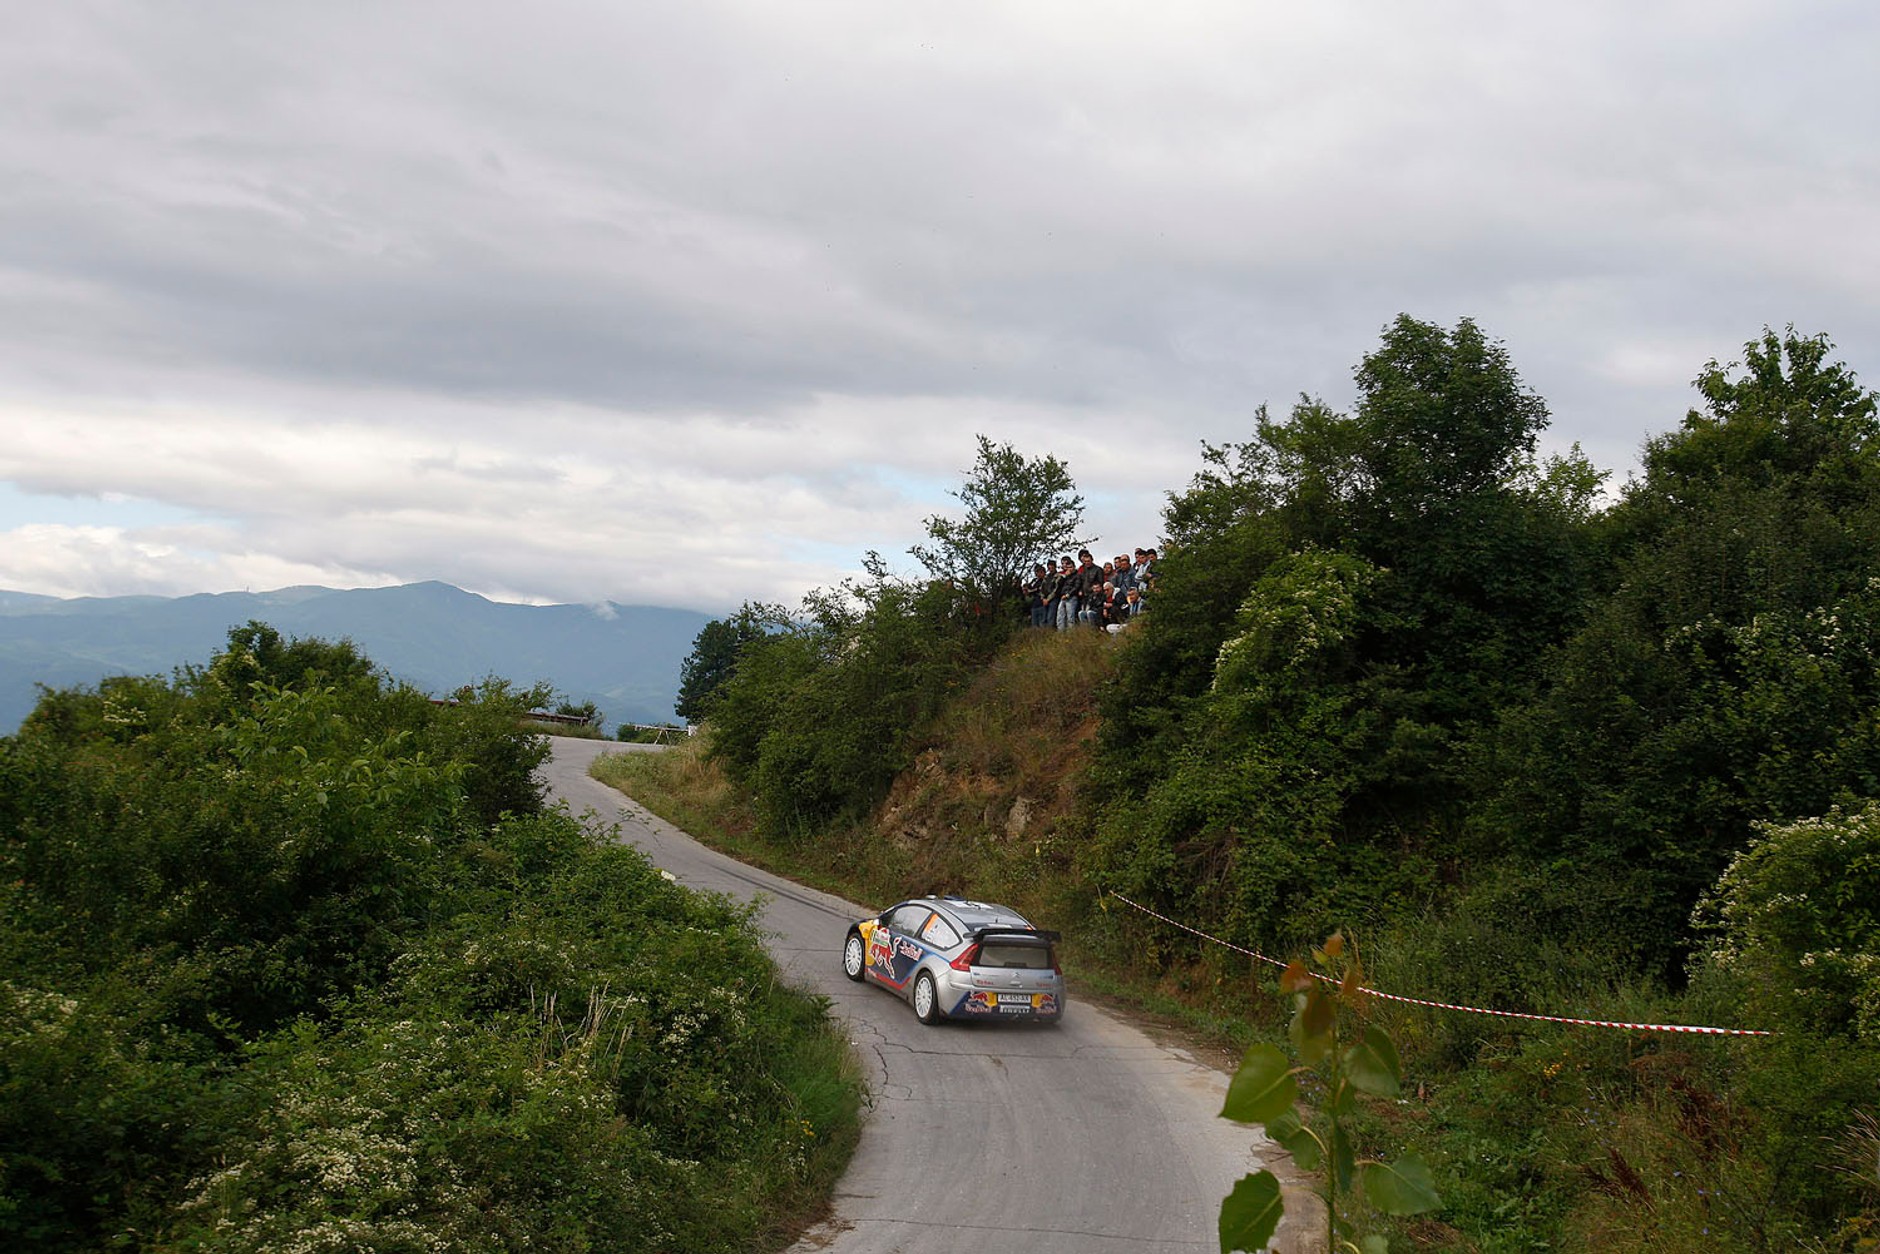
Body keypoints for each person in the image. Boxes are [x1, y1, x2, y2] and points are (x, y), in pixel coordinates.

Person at [1052, 555, 1079, 630]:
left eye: (1071, 567)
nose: (1069, 569)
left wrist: (1068, 594)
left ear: (1074, 567)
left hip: (1071, 597)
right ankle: (1061, 632)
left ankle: (1070, 633)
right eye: (1068, 567)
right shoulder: (1066, 576)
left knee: (1070, 617)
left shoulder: (1077, 575)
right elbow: (1059, 585)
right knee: (1060, 616)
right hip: (1062, 597)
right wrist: (1064, 577)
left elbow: (1076, 587)